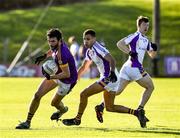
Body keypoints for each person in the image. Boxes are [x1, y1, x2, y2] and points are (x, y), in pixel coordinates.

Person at [62, 29, 149, 128]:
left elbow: (112, 59)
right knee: (110, 107)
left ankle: (77, 119)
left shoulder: (98, 47)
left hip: (109, 78)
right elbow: (84, 67)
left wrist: (112, 73)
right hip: (110, 79)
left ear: (94, 39)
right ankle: (137, 113)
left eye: (88, 39)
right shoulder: (89, 51)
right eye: (84, 39)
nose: (86, 41)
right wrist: (73, 81)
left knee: (83, 94)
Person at [95, 15, 157, 128]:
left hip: (127, 68)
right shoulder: (135, 36)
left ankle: (101, 106)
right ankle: (140, 110)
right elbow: (119, 44)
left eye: (148, 25)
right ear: (139, 25)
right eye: (144, 25)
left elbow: (152, 55)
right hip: (135, 68)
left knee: (117, 91)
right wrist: (129, 52)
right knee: (150, 87)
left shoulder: (146, 40)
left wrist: (154, 49)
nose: (146, 27)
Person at [15, 28, 78, 129]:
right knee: (37, 95)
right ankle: (27, 122)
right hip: (57, 74)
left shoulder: (62, 55)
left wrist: (50, 77)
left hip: (67, 81)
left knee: (54, 103)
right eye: (49, 41)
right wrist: (44, 56)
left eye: (53, 41)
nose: (51, 43)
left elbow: (66, 74)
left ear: (59, 40)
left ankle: (62, 110)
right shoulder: (58, 44)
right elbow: (52, 50)